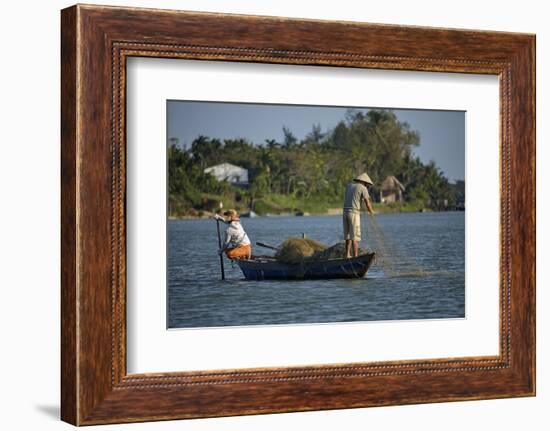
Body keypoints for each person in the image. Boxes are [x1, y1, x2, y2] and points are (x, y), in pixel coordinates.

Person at [343, 173, 375, 258]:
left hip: (345, 213)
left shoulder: (349, 186)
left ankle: (347, 255)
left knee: (348, 236)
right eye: (367, 184)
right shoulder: (363, 188)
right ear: (364, 182)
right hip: (354, 213)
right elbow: (367, 203)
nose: (367, 186)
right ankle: (355, 257)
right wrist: (371, 213)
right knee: (355, 237)